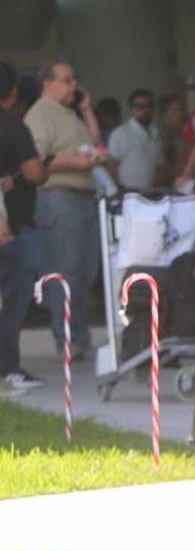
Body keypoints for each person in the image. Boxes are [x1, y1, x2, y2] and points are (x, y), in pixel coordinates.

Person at [23, 61, 107, 361]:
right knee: (65, 271)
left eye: (74, 80)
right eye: (67, 80)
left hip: (83, 196)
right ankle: (67, 339)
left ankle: (79, 337)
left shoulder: (69, 114)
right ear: (48, 82)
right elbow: (37, 161)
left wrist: (85, 109)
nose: (74, 86)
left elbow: (95, 144)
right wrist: (76, 164)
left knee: (84, 271)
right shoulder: (40, 115)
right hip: (59, 196)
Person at [0, 61, 49, 390]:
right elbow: (34, 173)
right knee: (14, 296)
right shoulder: (12, 126)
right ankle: (8, 367)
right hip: (9, 227)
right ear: (13, 93)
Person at [107, 89, 162, 191]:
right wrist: (118, 191)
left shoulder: (156, 134)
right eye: (140, 107)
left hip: (151, 194)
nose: (146, 110)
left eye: (150, 106)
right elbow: (111, 166)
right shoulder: (120, 133)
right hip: (127, 194)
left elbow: (158, 167)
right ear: (131, 110)